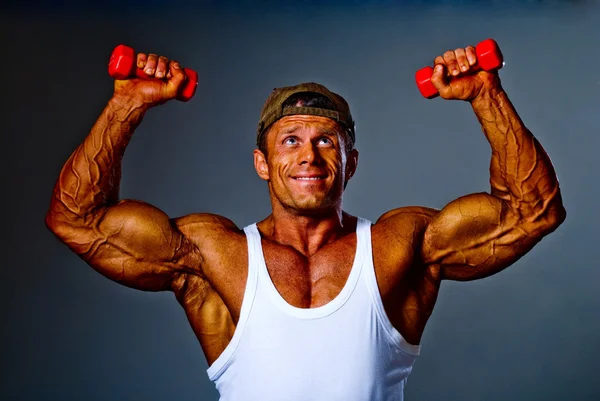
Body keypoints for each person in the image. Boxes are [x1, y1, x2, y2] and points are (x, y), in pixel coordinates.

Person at [45, 43, 566, 400]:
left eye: (326, 141)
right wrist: (126, 104)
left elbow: (533, 211)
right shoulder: (213, 255)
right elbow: (76, 219)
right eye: (290, 140)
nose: (309, 156)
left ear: (352, 162)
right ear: (263, 163)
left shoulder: (397, 246)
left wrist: (485, 94)